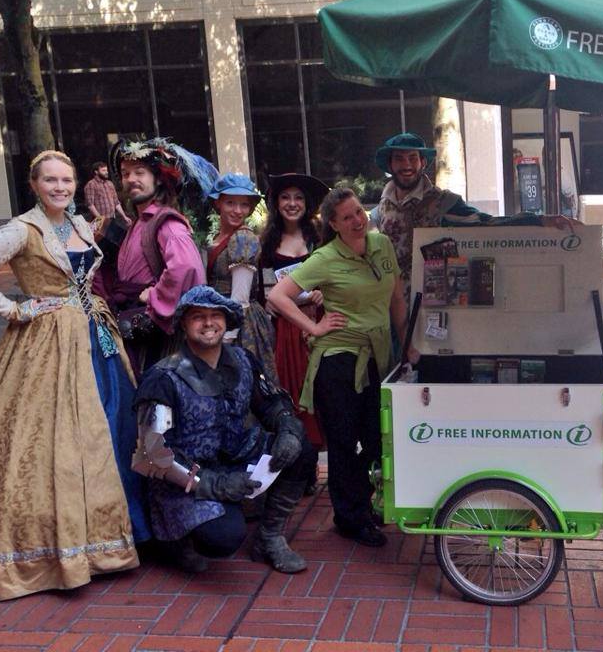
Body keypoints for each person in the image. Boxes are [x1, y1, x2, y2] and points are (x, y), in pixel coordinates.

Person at [0, 150, 142, 600]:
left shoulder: (81, 223)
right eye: (51, 181)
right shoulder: (21, 229)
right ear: (34, 184)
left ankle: (115, 532)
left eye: (66, 180)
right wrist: (16, 308)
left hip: (96, 338)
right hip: (47, 344)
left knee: (111, 427)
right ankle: (60, 545)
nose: (60, 187)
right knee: (54, 440)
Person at [268, 187, 415, 548]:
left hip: (379, 354)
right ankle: (350, 518)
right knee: (345, 442)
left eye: (358, 213)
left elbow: (396, 297)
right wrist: (314, 327)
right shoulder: (324, 257)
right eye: (346, 217)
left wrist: (408, 343)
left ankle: (367, 502)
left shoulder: (381, 245)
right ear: (333, 224)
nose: (356, 220)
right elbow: (277, 295)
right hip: (339, 361)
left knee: (377, 436)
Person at [132, 286, 312, 574]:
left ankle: (270, 538)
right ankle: (175, 543)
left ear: (227, 321)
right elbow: (151, 455)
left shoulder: (242, 360)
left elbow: (270, 402)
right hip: (185, 477)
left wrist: (288, 427)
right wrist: (213, 484)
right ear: (183, 325)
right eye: (198, 317)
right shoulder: (163, 377)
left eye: (215, 315)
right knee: (224, 538)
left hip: (234, 456)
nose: (208, 323)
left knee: (301, 448)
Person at [369, 133, 574, 304]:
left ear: (423, 162)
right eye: (399, 158)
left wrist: (538, 221)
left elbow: (487, 223)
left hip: (431, 304)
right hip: (390, 307)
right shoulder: (381, 210)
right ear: (390, 164)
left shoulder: (443, 203)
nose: (406, 165)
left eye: (412, 158)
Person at [101, 138, 212, 378]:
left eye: (139, 172)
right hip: (134, 327)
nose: (131, 179)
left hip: (156, 336)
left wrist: (156, 295)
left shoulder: (166, 223)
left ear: (159, 178)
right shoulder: (138, 223)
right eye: (125, 173)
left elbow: (186, 267)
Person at [259, 172, 330, 490]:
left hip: (317, 323)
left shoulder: (320, 238)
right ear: (277, 203)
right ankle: (294, 468)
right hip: (283, 330)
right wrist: (267, 302)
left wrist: (323, 293)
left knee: (316, 392)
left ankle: (312, 464)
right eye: (285, 197)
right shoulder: (267, 242)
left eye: (298, 198)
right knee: (289, 392)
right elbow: (260, 288)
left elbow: (335, 276)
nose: (292, 204)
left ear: (307, 203)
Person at [207, 174, 280, 388]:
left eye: (244, 205)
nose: (238, 211)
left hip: (238, 324)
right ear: (217, 202)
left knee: (241, 385)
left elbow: (239, 299)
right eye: (230, 202)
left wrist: (225, 341)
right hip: (216, 317)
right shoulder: (216, 239)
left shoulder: (243, 238)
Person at [84, 160, 130, 226]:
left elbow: (116, 202)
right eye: (103, 170)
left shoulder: (110, 183)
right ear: (96, 172)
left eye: (107, 170)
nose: (106, 172)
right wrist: (100, 219)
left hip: (112, 218)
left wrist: (124, 216)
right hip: (99, 220)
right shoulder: (91, 185)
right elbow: (90, 205)